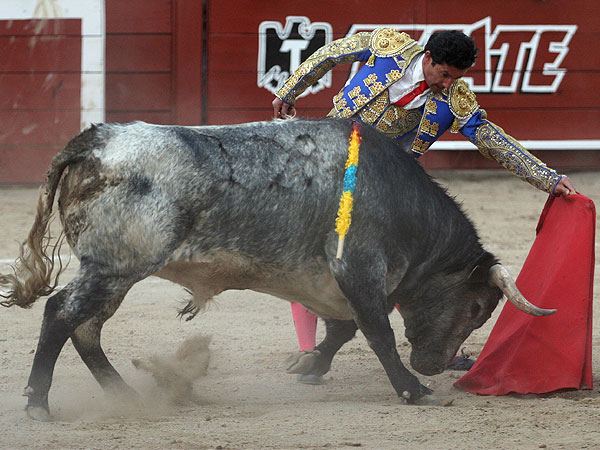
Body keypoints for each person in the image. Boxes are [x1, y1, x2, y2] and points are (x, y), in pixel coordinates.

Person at [271, 28, 576, 384]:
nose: (447, 84)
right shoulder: (388, 47)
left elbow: (492, 140)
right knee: (309, 255)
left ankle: (444, 344)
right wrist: (288, 92)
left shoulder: (455, 99)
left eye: (455, 78)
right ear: (428, 58)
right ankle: (309, 352)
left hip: (386, 186)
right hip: (328, 166)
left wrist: (547, 178)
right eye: (444, 74)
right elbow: (330, 55)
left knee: (408, 259)